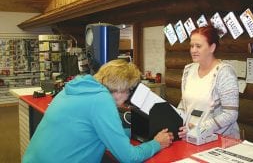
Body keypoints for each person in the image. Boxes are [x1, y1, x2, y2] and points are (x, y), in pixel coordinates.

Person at [22, 59, 174, 163]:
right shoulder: (101, 100)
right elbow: (129, 157)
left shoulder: (76, 87)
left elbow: (94, 131)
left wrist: (139, 134)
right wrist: (156, 143)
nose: (128, 98)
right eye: (129, 91)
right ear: (121, 89)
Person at [177, 25, 240, 140]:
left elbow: (230, 114)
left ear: (212, 48)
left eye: (198, 46)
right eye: (191, 46)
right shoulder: (188, 70)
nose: (193, 50)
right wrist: (176, 121)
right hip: (190, 138)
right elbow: (184, 103)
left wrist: (199, 128)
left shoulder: (224, 73)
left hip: (219, 141)